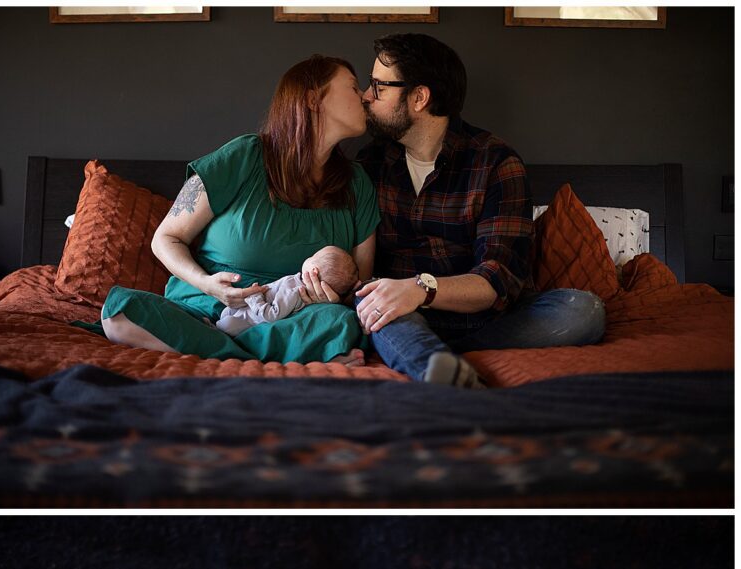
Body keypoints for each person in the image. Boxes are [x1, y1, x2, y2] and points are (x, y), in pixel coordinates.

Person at [355, 35, 607, 388]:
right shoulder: (370, 163)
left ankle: (434, 357)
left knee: (584, 310)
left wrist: (421, 288)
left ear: (418, 98)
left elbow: (497, 278)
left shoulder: (495, 162)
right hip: (405, 316)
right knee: (374, 306)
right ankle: (445, 372)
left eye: (379, 86)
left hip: (487, 319)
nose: (367, 95)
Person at [100, 56, 379, 366]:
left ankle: (222, 352)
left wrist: (336, 298)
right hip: (207, 311)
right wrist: (208, 285)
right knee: (120, 311)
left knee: (340, 322)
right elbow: (165, 238)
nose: (367, 96)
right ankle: (265, 355)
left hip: (288, 318)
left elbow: (360, 284)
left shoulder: (357, 184)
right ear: (313, 99)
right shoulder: (243, 157)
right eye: (354, 87)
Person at [214, 246, 360, 362]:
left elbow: (271, 315)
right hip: (244, 308)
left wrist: (255, 297)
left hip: (252, 319)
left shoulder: (295, 292)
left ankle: (216, 333)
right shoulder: (295, 281)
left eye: (312, 257)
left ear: (313, 272)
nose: (308, 257)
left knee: (226, 326)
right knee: (226, 314)